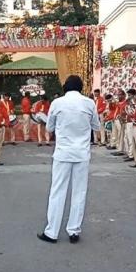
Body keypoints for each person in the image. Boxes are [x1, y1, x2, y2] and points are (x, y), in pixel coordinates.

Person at [37, 75, 100, 244]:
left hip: (63, 153)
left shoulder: (57, 103)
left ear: (65, 87)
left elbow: (49, 127)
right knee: (79, 192)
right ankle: (74, 231)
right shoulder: (89, 103)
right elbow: (96, 126)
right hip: (82, 154)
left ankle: (52, 232)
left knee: (58, 191)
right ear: (81, 87)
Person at [111, 89, 127, 157]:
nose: (118, 96)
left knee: (121, 135)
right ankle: (119, 148)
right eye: (118, 95)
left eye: (120, 95)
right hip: (116, 119)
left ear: (124, 95)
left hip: (121, 120)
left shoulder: (125, 103)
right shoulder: (118, 103)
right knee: (117, 134)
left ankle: (122, 149)